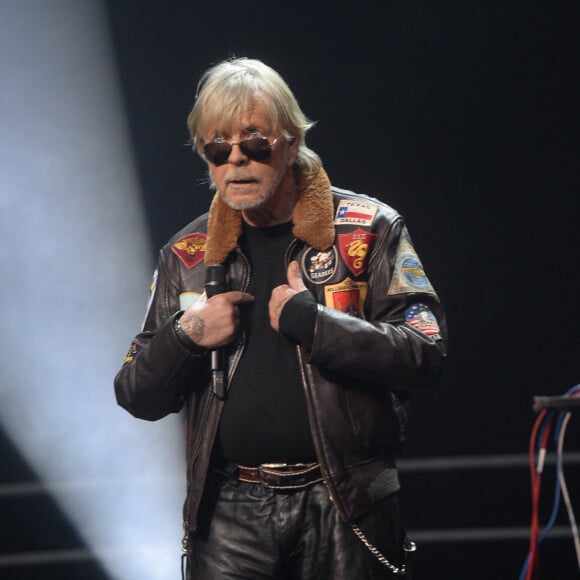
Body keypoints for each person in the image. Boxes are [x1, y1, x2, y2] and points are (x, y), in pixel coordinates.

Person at [114, 57, 447, 579]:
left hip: (346, 504)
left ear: (291, 143)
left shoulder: (367, 230)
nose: (237, 161)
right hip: (228, 514)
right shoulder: (187, 254)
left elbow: (424, 353)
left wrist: (315, 325)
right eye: (218, 148)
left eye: (255, 143)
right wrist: (188, 334)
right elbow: (135, 392)